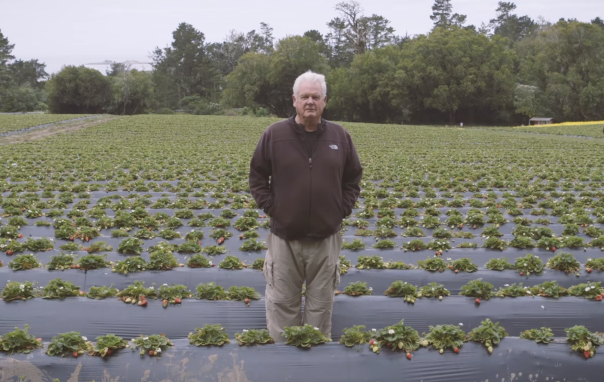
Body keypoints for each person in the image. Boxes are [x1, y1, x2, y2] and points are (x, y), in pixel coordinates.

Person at [249, 70, 363, 342]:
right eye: (304, 97)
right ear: (294, 100)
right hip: (284, 240)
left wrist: (340, 209)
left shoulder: (340, 136)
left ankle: (314, 365)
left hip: (325, 240)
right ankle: (285, 366)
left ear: (325, 101)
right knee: (282, 306)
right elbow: (257, 176)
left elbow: (353, 179)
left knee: (320, 308)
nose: (310, 101)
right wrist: (275, 208)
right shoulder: (274, 135)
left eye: (316, 96)